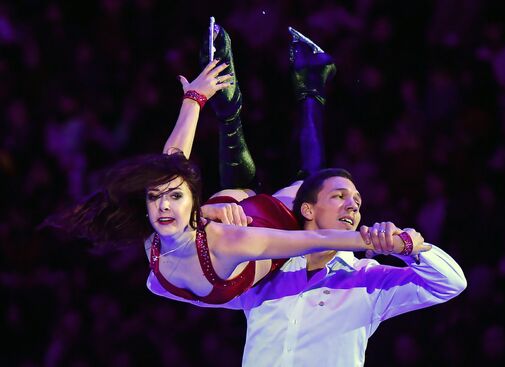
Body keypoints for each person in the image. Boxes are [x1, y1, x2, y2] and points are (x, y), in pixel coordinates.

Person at [147, 25, 467, 366]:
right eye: (342, 197)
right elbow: (183, 286)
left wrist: (414, 252)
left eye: (357, 202)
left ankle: (286, 92)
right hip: (252, 231)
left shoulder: (369, 282)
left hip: (238, 228)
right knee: (303, 181)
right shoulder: (272, 267)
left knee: (255, 194)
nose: (353, 206)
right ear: (308, 210)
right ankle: (305, 85)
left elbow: (450, 284)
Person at [45, 58, 426, 306]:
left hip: (273, 218)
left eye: (174, 198)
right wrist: (193, 99)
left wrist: (382, 241)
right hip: (223, 216)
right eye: (155, 198)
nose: (163, 205)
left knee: (312, 182)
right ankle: (235, 112)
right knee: (231, 193)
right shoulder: (151, 235)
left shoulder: (229, 242)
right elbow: (171, 161)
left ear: (190, 203)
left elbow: (317, 238)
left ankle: (311, 84)